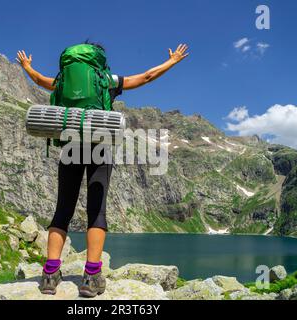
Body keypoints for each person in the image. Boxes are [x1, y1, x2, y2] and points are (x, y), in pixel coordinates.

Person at [17, 42, 189, 297]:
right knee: (96, 210)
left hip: (71, 148)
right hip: (100, 147)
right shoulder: (105, 79)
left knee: (63, 209)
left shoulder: (64, 79)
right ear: (98, 59)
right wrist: (172, 61)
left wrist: (27, 67)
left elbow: (42, 81)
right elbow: (145, 77)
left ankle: (50, 275)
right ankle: (91, 277)